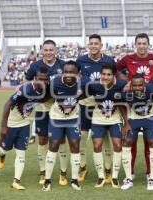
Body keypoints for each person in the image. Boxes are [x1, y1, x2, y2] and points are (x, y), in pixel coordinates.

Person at [116, 33, 153, 181]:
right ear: (135, 44)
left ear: (148, 45)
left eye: (144, 43)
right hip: (133, 102)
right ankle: (130, 173)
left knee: (149, 142)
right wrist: (126, 80)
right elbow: (115, 68)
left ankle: (149, 173)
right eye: (139, 43)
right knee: (130, 143)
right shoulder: (128, 59)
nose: (142, 46)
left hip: (148, 101)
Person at [0, 67, 49, 190]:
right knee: (5, 149)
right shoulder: (25, 89)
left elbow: (44, 98)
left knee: (21, 154)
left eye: (45, 79)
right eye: (40, 79)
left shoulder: (46, 89)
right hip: (11, 125)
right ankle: (1, 154)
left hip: (25, 125)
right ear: (35, 79)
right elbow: (7, 104)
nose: (43, 82)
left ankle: (16, 181)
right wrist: (4, 126)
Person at [25, 39, 68, 185]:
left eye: (51, 50)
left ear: (56, 51)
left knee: (61, 140)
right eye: (46, 50)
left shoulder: (63, 65)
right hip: (42, 109)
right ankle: (43, 172)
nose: (48, 52)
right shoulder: (35, 65)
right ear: (42, 51)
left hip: (60, 109)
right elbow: (26, 82)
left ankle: (63, 172)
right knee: (42, 140)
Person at [76, 34, 114, 183]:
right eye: (90, 43)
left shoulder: (109, 61)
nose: (93, 46)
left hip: (102, 105)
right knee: (83, 138)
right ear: (88, 45)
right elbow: (73, 74)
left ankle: (108, 169)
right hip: (85, 104)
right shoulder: (81, 60)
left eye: (96, 43)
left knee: (104, 139)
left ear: (101, 45)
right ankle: (83, 167)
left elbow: (114, 78)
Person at [42, 61, 85, 191]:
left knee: (75, 146)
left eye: (72, 72)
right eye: (66, 71)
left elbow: (98, 88)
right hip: (56, 118)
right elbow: (45, 95)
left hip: (73, 118)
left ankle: (74, 180)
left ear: (78, 74)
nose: (68, 74)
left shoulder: (83, 83)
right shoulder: (54, 82)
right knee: (54, 145)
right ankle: (47, 180)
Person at [85, 64, 128, 189]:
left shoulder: (120, 84)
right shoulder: (93, 86)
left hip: (115, 120)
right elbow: (81, 95)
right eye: (103, 74)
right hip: (98, 120)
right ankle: (101, 176)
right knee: (97, 146)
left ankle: (114, 177)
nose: (106, 77)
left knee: (117, 145)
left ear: (113, 75)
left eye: (109, 74)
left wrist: (126, 123)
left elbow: (123, 103)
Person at [121, 73, 153, 190]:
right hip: (134, 119)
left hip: (150, 117)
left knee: (152, 143)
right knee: (127, 143)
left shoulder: (152, 89)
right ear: (131, 85)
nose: (137, 88)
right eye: (135, 85)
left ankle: (151, 178)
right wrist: (126, 123)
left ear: (145, 84)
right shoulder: (126, 92)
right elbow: (122, 106)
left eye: (140, 85)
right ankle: (128, 178)